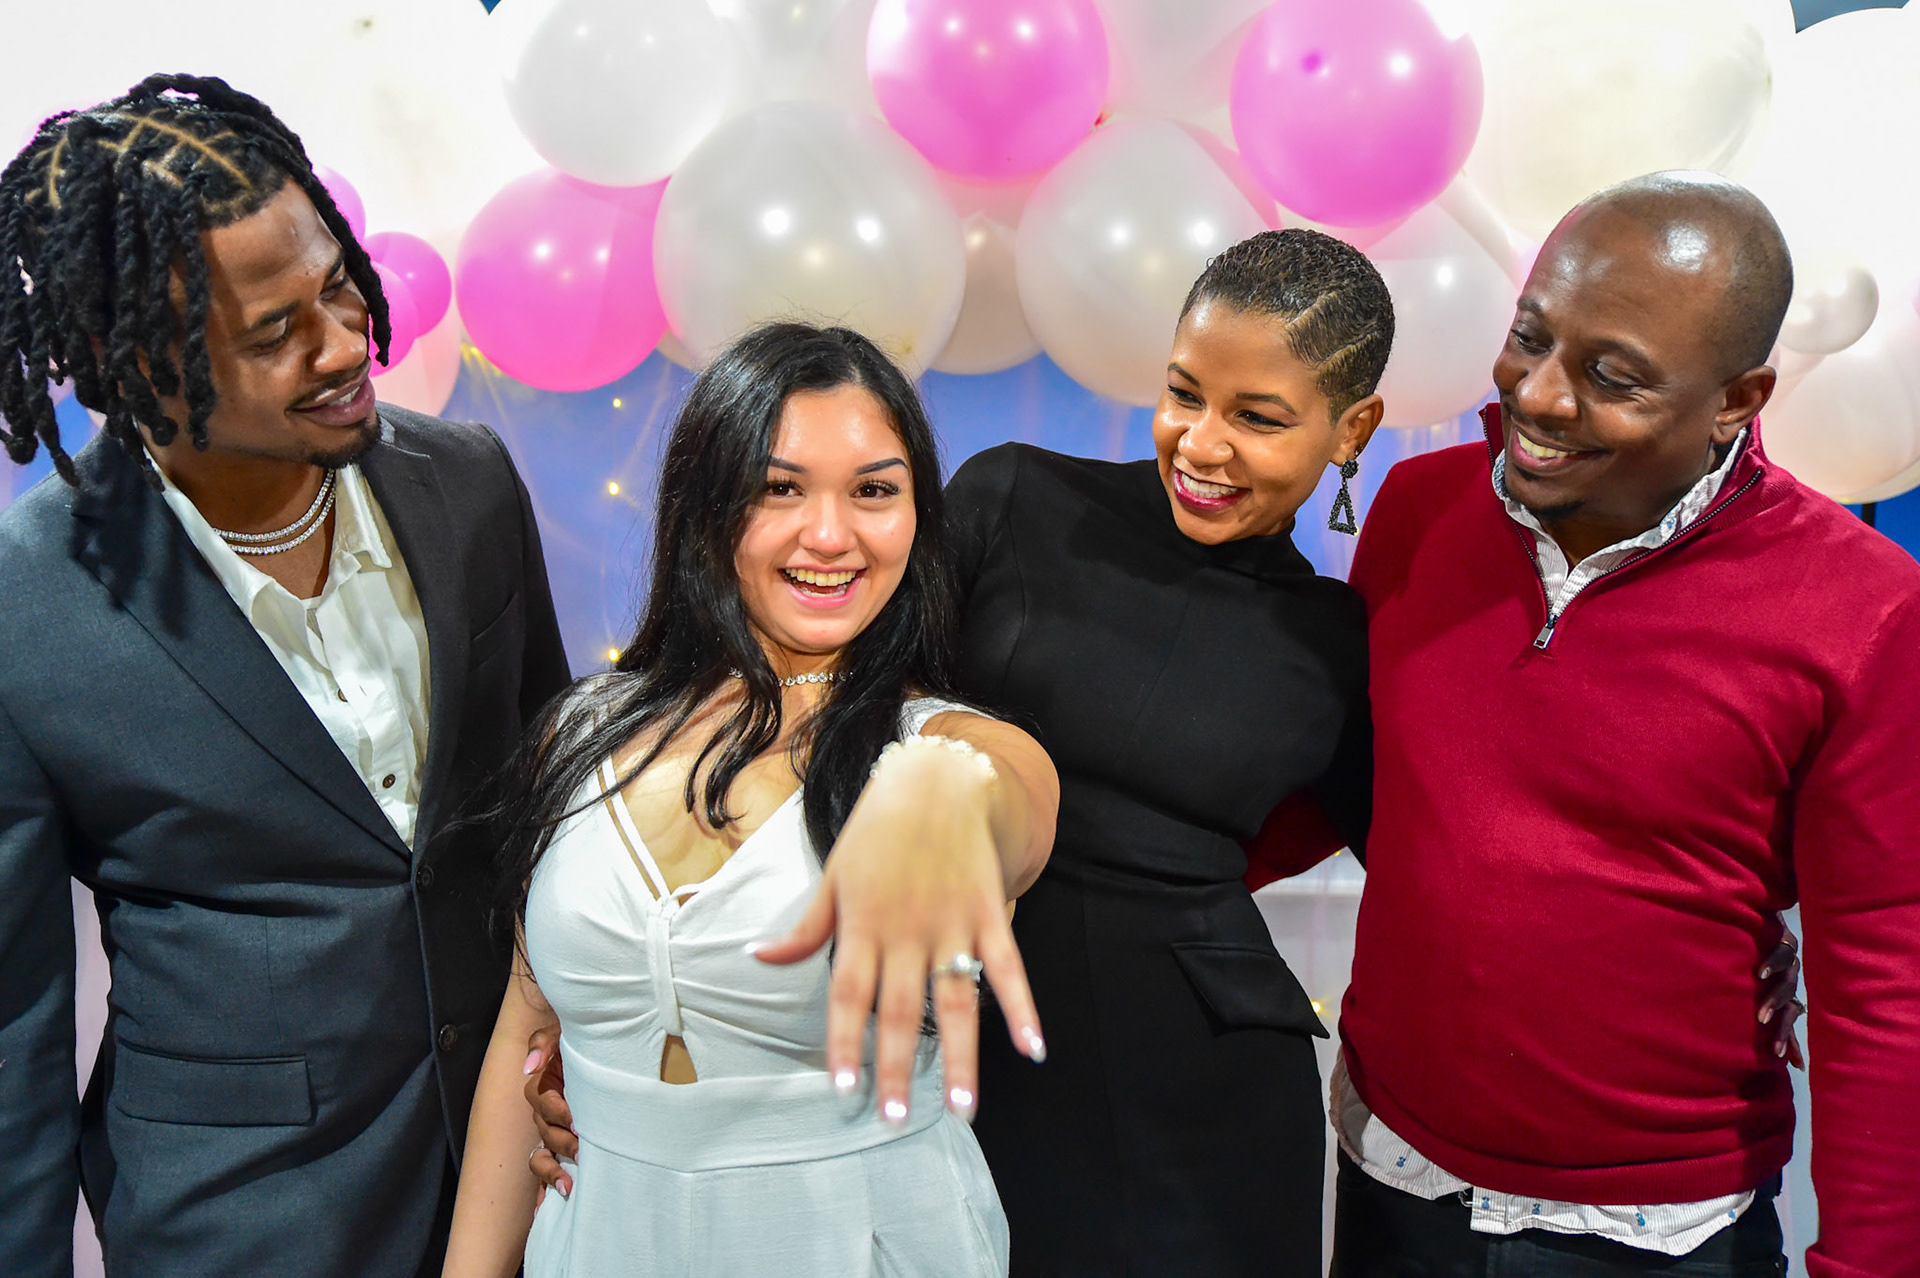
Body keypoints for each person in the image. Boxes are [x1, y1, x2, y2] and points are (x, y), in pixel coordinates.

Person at [523, 230, 1804, 1273]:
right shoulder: (1014, 498)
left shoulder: (1330, 640)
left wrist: (1724, 953)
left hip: (1196, 1101)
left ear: (1350, 429)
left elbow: (1451, 845)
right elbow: (844, 691)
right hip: (948, 1041)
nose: (1202, 443)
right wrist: (635, 1029)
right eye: (1185, 394)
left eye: (1260, 416)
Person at [0, 76, 570, 1276]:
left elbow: (554, 822)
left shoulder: (470, 484)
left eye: (340, 285)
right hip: (242, 1222)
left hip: (524, 1183)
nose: (346, 343)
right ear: (126, 360)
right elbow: (13, 1031)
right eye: (274, 335)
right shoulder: (24, 609)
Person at [1331, 172, 1920, 1276]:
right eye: (1530, 337)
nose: (1540, 396)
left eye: (1613, 377)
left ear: (1739, 399)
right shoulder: (1418, 513)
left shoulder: (1864, 610)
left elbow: (1887, 977)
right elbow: (1350, 794)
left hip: (1658, 1233)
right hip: (1394, 1180)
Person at [441, 322, 1058, 1278]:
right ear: (707, 507)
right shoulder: (581, 730)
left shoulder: (945, 741)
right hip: (601, 1243)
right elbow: (527, 1028)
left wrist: (947, 800)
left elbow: (1010, 809)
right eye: (781, 488)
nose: (831, 534)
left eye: (875, 491)